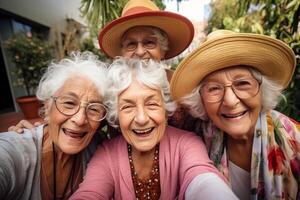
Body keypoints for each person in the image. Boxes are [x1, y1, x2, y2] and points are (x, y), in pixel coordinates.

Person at [9, 0, 194, 133]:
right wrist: (39, 132)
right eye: (131, 44)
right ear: (121, 51)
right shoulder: (110, 88)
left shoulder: (183, 86)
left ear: (164, 48)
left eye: (149, 43)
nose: (139, 51)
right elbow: (81, 118)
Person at [70, 57, 237, 200]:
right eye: (128, 107)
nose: (142, 118)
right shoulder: (107, 154)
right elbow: (89, 193)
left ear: (165, 109)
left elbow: (203, 178)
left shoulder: (186, 143)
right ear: (117, 115)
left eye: (151, 104)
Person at [170, 29, 300, 199]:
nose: (230, 101)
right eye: (214, 88)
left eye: (242, 83)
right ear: (200, 98)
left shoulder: (294, 139)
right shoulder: (194, 136)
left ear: (262, 89)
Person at [0, 52, 108, 200]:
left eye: (94, 108)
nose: (80, 119)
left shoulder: (98, 147)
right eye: (69, 103)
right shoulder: (12, 151)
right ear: (47, 107)